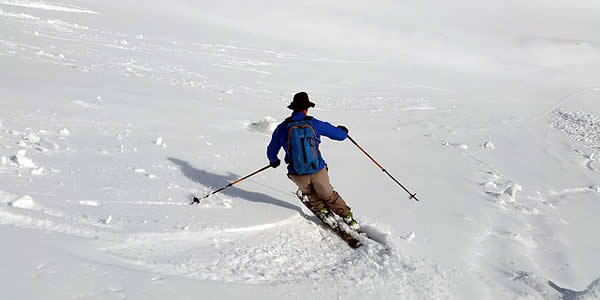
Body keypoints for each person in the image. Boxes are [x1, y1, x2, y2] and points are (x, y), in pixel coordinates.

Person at [267, 92, 359, 230]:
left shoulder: (282, 128)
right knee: (328, 195)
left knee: (310, 193)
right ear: (306, 108)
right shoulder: (314, 123)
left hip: (297, 173)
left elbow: (271, 149)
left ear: (293, 108)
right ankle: (347, 217)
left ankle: (322, 211)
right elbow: (339, 136)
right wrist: (343, 131)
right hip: (317, 169)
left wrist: (274, 161)